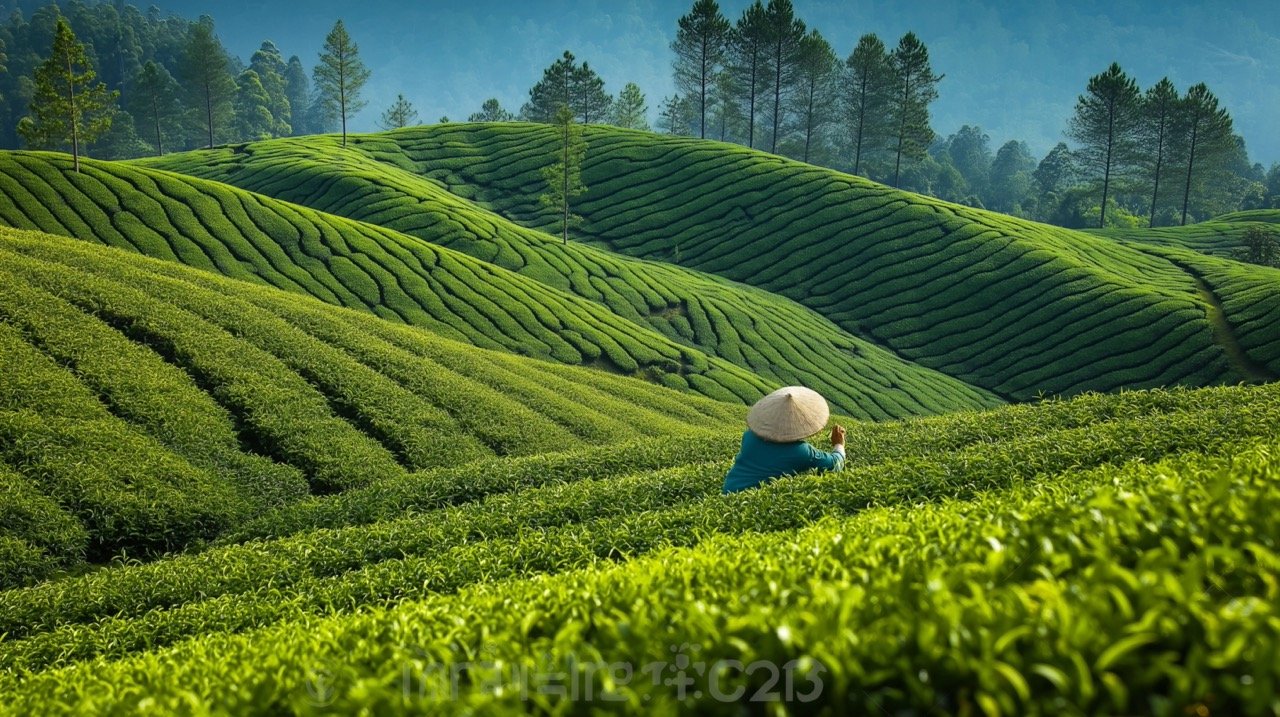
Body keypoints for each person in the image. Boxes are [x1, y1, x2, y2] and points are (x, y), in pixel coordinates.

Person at [722, 386, 846, 494]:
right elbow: (834, 464)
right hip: (750, 500)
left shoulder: (749, 436)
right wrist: (839, 445)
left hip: (728, 490)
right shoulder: (800, 451)